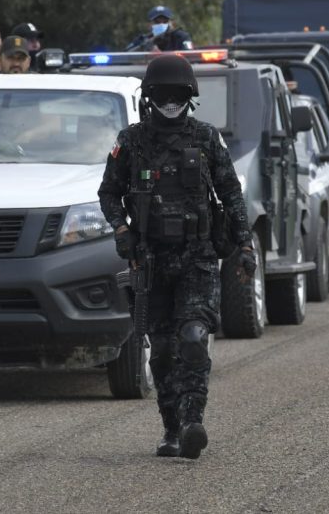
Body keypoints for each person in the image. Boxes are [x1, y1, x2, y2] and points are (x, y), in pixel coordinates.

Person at [98, 54, 254, 460]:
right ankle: (171, 427)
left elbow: (231, 192)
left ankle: (192, 422)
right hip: (150, 260)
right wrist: (121, 230)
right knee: (163, 349)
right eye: (163, 95)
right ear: (149, 97)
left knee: (193, 338)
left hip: (197, 256)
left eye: (178, 95)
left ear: (190, 96)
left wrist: (245, 244)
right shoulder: (131, 141)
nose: (170, 102)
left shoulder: (205, 138)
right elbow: (108, 193)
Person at [125, 6, 194, 52]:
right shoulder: (143, 40)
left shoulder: (181, 37)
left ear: (171, 22)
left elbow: (189, 55)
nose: (161, 24)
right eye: (157, 22)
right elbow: (125, 55)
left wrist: (158, 54)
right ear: (150, 24)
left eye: (165, 21)